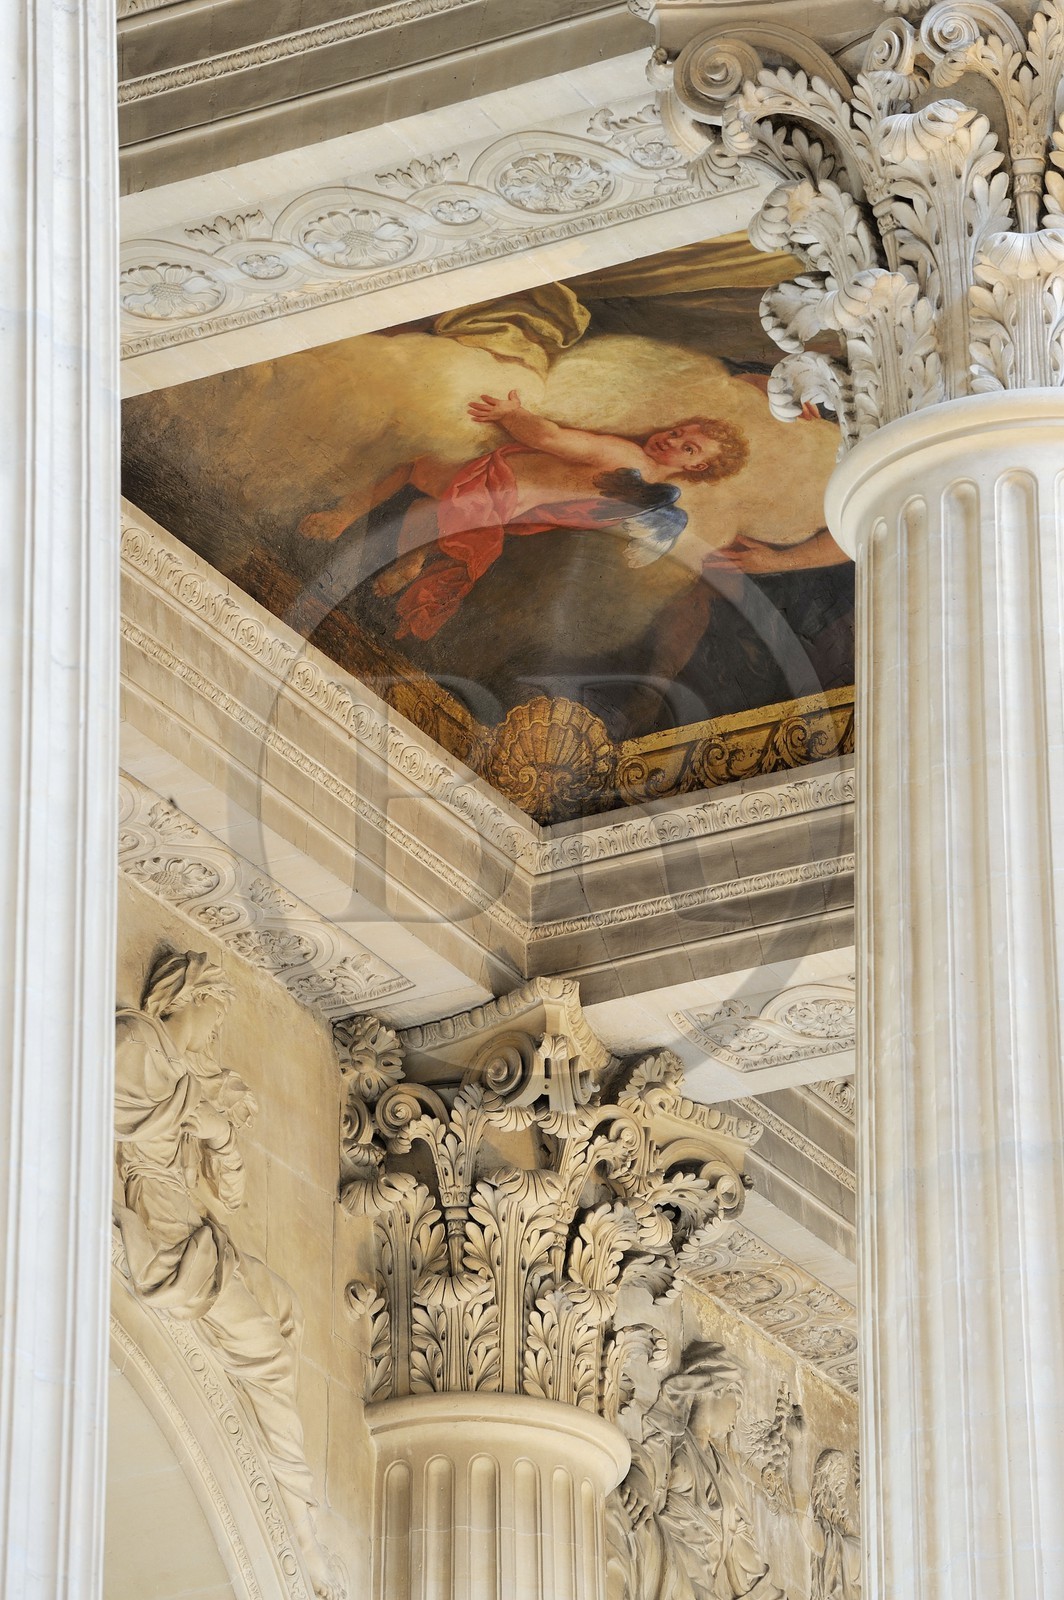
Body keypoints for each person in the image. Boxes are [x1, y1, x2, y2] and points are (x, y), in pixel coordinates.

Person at [114, 950, 345, 1600]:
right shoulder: (138, 1042)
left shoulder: (182, 1076)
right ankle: (301, 1526)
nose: (212, 1033)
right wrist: (197, 1114)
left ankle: (299, 1515)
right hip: (162, 1221)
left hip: (193, 1223)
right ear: (181, 996)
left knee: (287, 1311)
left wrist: (216, 1134)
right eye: (212, 1014)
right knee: (269, 1360)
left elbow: (234, 1193)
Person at [300, 389, 749, 641]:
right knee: (436, 515)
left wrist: (513, 414)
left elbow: (550, 437)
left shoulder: (620, 453)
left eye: (686, 447)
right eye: (675, 433)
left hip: (495, 483)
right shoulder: (656, 497)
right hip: (511, 513)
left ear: (698, 467)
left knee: (413, 464)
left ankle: (346, 514)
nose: (671, 442)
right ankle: (417, 555)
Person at [615, 1341, 786, 1600]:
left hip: (707, 1586)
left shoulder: (726, 1470)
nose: (735, 1419)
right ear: (714, 1391)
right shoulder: (672, 1441)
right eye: (736, 1401)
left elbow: (744, 1552)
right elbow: (646, 1461)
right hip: (673, 1572)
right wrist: (639, 1478)